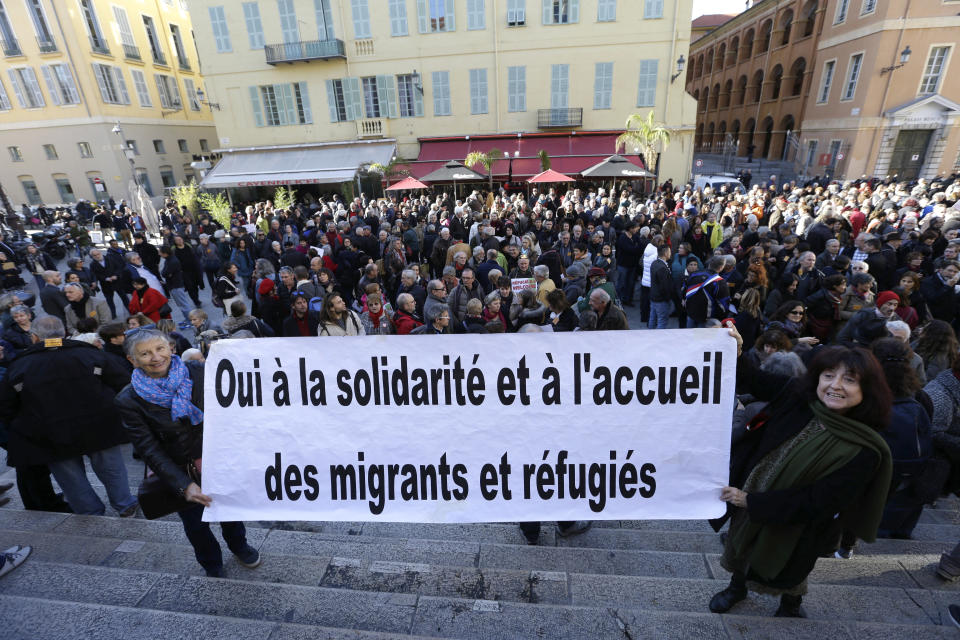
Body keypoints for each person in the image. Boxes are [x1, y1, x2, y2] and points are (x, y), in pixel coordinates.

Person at [711, 345, 892, 618]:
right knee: (742, 548)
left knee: (793, 567)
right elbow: (753, 378)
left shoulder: (864, 449)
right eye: (829, 375)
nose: (836, 386)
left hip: (799, 524)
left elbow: (817, 502)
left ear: (867, 389)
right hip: (749, 501)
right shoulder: (798, 398)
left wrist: (752, 501)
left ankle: (791, 604)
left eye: (850, 380)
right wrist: (734, 351)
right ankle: (736, 588)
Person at [115, 328, 262, 578]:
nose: (155, 357)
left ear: (171, 348)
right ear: (133, 360)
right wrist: (184, 485)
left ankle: (239, 545)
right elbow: (149, 448)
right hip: (178, 469)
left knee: (229, 509)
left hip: (217, 460)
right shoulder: (128, 399)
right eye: (145, 353)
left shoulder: (201, 372)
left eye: (160, 349)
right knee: (195, 524)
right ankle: (211, 562)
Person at [0, 317, 139, 517]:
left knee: (71, 479)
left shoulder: (20, 365)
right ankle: (125, 505)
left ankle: (90, 513)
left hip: (49, 434)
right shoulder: (88, 353)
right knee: (112, 469)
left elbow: (7, 406)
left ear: (35, 337)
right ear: (64, 333)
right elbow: (123, 384)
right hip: (100, 425)